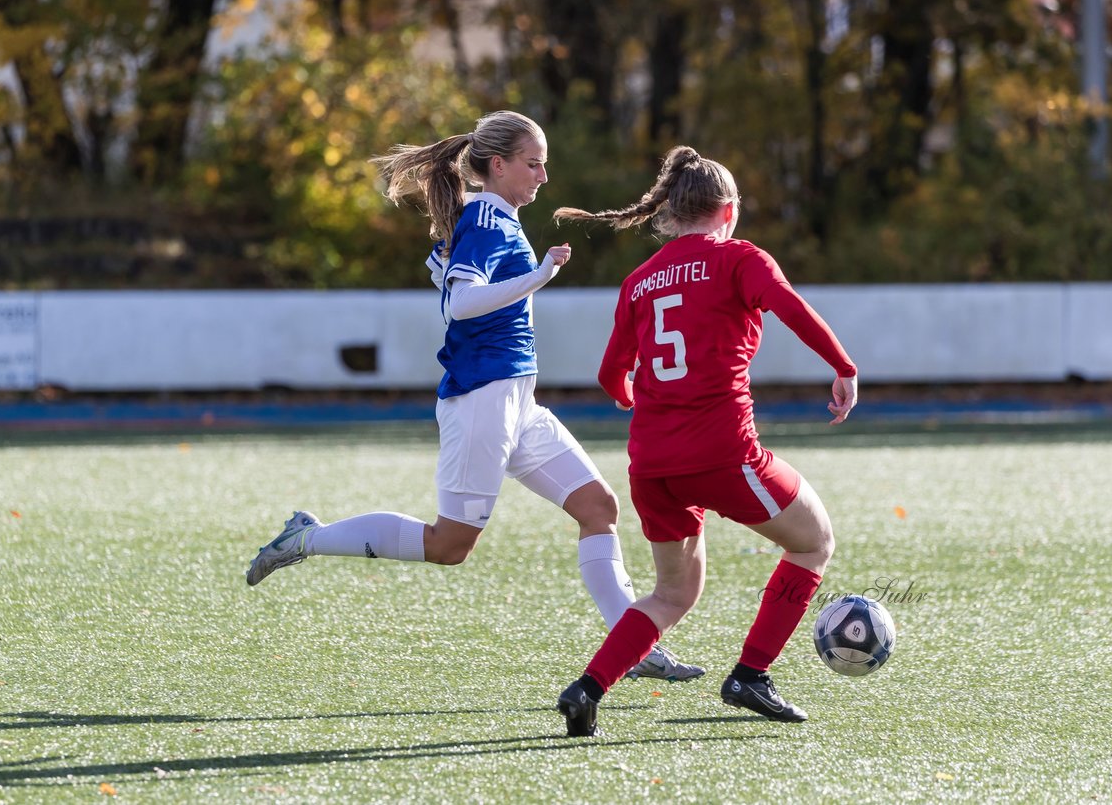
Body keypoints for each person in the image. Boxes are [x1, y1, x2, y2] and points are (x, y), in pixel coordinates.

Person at [244, 111, 703, 683]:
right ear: (498, 165)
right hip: (483, 400)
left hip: (518, 403)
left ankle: (632, 647)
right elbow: (462, 304)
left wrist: (463, 267)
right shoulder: (488, 216)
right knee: (449, 545)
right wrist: (537, 276)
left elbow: (448, 278)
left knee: (598, 508)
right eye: (533, 163)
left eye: (544, 163)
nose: (542, 176)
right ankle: (307, 537)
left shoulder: (494, 217)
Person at [550, 145, 858, 736]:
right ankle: (751, 675)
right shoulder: (739, 257)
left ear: (671, 212)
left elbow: (611, 375)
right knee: (814, 542)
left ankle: (586, 689)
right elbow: (790, 308)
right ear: (728, 211)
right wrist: (843, 367)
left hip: (651, 464)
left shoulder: (640, 279)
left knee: (671, 594)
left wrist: (637, 399)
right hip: (723, 453)